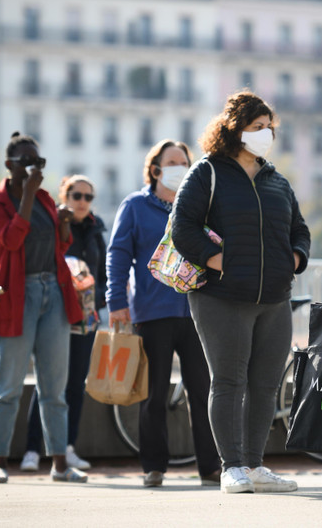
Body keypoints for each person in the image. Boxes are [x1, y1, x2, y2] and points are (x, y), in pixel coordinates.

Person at [172, 91, 311, 494]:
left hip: (274, 298)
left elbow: (298, 229)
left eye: (269, 127)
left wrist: (297, 259)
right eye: (257, 127)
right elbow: (183, 227)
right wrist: (217, 261)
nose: (266, 134)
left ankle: (254, 465)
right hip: (221, 296)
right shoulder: (207, 172)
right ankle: (230, 466)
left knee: (266, 385)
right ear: (234, 130)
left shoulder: (275, 180)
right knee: (229, 381)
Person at [106, 139, 221, 488]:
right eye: (172, 162)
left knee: (203, 391)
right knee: (153, 393)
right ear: (155, 169)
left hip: (196, 310)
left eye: (184, 162)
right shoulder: (134, 206)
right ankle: (153, 467)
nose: (180, 168)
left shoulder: (200, 206)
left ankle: (210, 467)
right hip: (151, 312)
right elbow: (118, 254)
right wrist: (115, 302)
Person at [0, 131, 88, 484]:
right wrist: (26, 194)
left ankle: (59, 463)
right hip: (15, 296)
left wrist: (63, 223)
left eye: (39, 162)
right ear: (10, 165)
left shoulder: (43, 198)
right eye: (27, 162)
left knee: (53, 387)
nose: (34, 168)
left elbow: (61, 245)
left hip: (52, 293)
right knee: (8, 386)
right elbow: (11, 239)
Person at [21, 175, 107, 473]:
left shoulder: (96, 229)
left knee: (75, 384)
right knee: (48, 382)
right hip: (55, 313)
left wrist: (98, 301)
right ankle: (33, 449)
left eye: (88, 196)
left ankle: (68, 447)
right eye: (76, 194)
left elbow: (103, 272)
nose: (82, 201)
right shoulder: (51, 223)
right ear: (64, 195)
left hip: (85, 318)